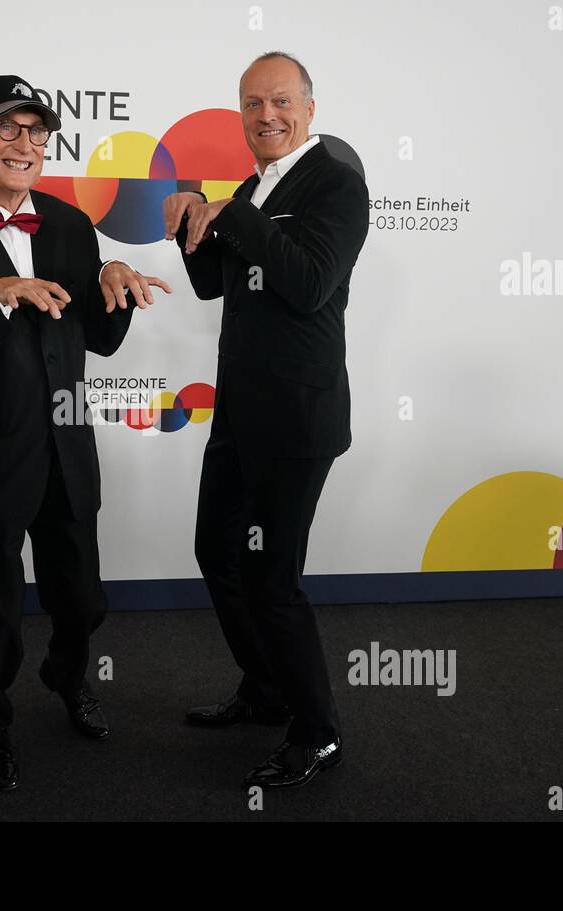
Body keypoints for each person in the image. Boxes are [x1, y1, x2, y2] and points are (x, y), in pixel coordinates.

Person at [0, 74, 171, 790]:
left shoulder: (70, 225)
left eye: (36, 131)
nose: (26, 143)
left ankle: (67, 675)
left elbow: (100, 339)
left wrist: (116, 282)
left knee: (81, 597)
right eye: (8, 127)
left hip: (66, 445)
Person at [162, 52, 370, 788]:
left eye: (280, 101)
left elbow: (310, 284)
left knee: (271, 579)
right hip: (238, 414)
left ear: (310, 109)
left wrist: (237, 216)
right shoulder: (253, 185)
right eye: (252, 103)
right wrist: (189, 223)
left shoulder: (336, 184)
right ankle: (265, 686)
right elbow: (217, 281)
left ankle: (319, 731)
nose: (266, 116)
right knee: (214, 551)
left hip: (297, 419)